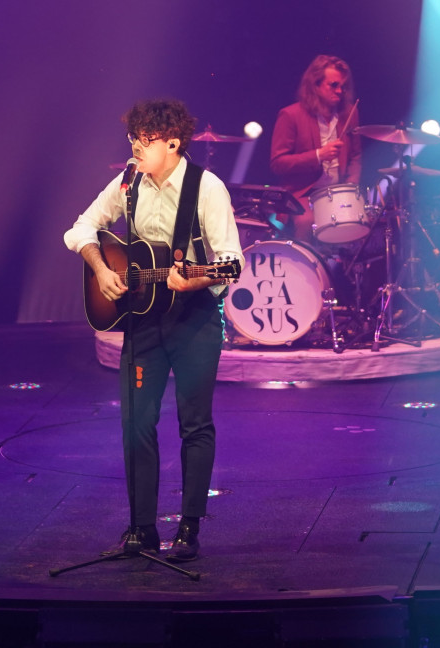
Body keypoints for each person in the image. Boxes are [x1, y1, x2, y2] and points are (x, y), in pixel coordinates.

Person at [65, 99, 241, 562]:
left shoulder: (207, 187)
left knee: (194, 423)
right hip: (143, 320)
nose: (135, 149)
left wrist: (195, 279)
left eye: (145, 141)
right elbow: (80, 228)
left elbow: (231, 261)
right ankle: (141, 528)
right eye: (133, 139)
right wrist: (101, 269)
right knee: (136, 423)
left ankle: (189, 528)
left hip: (194, 319)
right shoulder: (128, 182)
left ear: (173, 144)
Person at [269, 55, 362, 242]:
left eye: (343, 86)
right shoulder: (291, 115)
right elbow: (278, 163)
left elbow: (356, 155)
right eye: (333, 85)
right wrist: (319, 155)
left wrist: (351, 186)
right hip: (303, 193)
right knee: (307, 221)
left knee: (359, 222)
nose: (340, 91)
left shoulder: (349, 113)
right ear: (315, 85)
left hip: (338, 191)